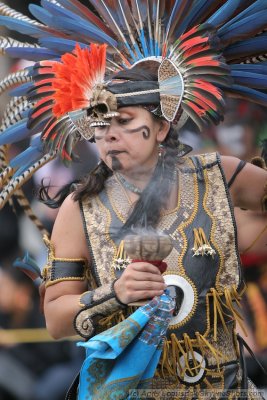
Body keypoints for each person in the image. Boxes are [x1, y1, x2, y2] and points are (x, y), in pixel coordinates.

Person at [1, 1, 267, 399]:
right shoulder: (80, 206)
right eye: (100, 125)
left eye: (125, 123)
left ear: (161, 127)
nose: (110, 136)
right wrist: (115, 294)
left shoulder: (219, 176)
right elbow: (56, 318)